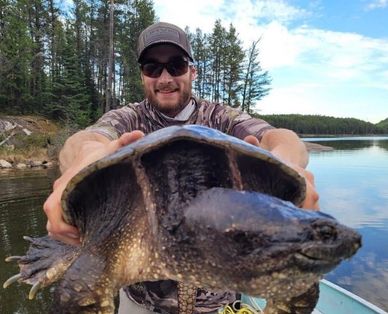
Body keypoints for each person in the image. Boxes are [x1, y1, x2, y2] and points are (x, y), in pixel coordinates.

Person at [43, 22, 319, 314]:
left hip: (219, 301)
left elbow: (281, 138)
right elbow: (84, 142)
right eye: (152, 67)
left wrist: (288, 163)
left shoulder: (222, 119)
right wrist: (83, 161)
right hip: (140, 298)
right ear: (142, 76)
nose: (165, 78)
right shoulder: (127, 120)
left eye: (176, 65)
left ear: (192, 71)